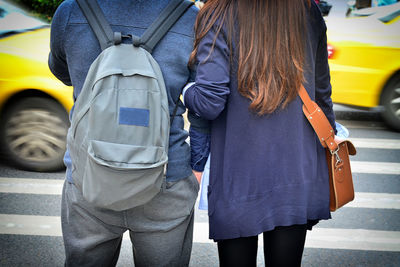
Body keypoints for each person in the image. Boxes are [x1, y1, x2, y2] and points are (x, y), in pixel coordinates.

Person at [183, 0, 337, 266]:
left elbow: (209, 101)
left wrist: (186, 90)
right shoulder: (306, 11)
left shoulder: (220, 12)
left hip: (239, 176)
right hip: (296, 171)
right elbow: (322, 95)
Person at [48, 1, 200, 266]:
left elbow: (63, 72)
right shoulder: (191, 17)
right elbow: (203, 96)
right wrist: (198, 163)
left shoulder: (72, 10)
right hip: (166, 176)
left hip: (89, 175)